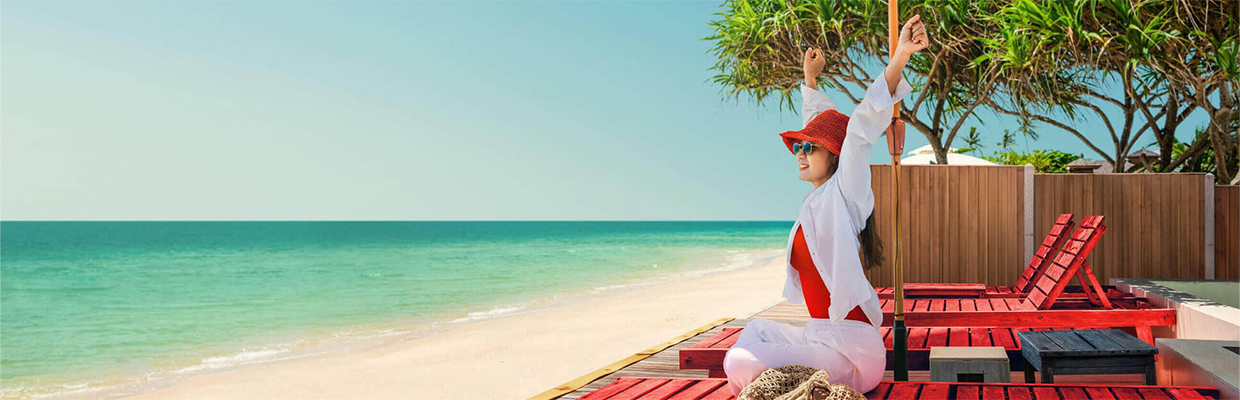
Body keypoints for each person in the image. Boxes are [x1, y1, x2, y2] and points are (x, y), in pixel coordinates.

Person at [722, 15, 929, 396]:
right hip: (820, 336)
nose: (798, 154)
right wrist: (810, 79)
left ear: (834, 155)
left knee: (738, 362)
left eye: (808, 147)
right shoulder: (817, 198)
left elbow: (860, 129)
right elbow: (821, 124)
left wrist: (900, 56)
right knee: (755, 330)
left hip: (850, 352)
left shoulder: (847, 193)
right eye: (796, 147)